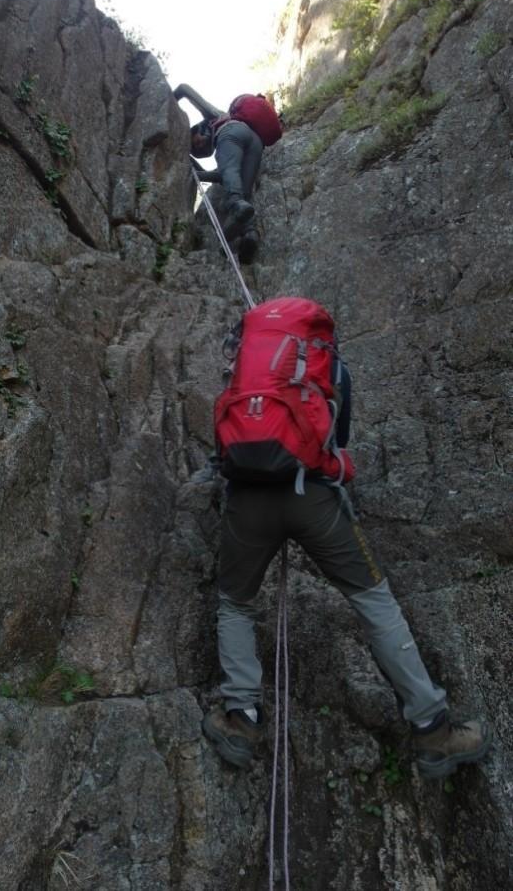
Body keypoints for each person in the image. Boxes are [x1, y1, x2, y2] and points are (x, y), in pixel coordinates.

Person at [202, 299, 492, 779]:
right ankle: (433, 730)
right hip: (313, 500)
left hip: (247, 501)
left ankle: (242, 720)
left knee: (236, 605)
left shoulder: (243, 366)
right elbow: (338, 435)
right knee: (375, 603)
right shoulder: (325, 364)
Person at [173, 83, 279, 265]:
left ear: (198, 129)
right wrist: (194, 170)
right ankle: (250, 234)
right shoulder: (231, 130)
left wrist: (169, 101)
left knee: (234, 188)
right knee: (245, 193)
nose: (198, 145)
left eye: (195, 142)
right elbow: (221, 176)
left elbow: (184, 88)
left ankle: (235, 204)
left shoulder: (217, 117)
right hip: (256, 143)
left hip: (232, 132)